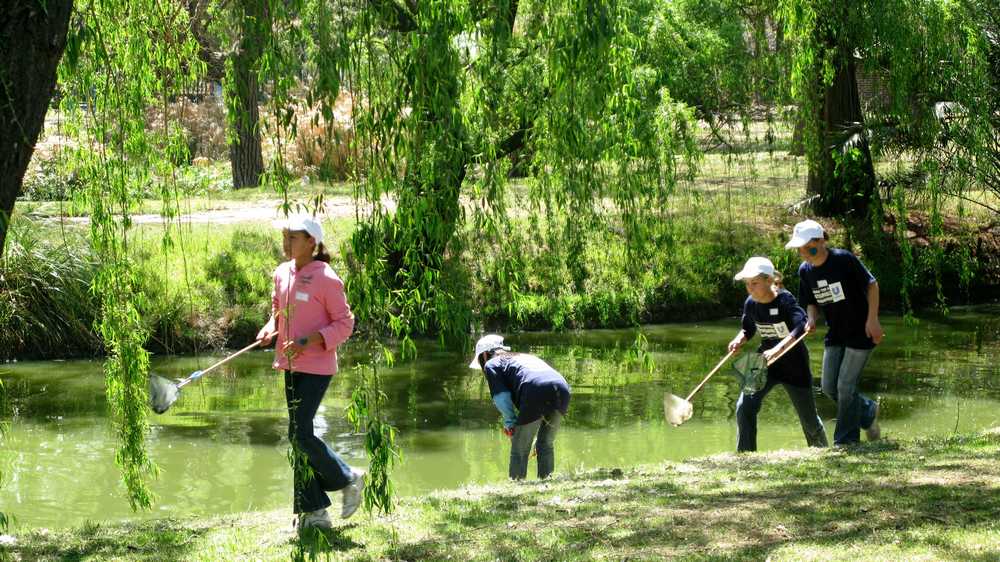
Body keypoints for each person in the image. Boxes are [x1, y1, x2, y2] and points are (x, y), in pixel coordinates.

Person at [256, 215, 363, 532]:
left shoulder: (326, 278)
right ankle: (313, 513)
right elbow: (278, 310)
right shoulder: (281, 272)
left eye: (292, 237)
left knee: (300, 434)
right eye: (285, 235)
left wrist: (309, 340)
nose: (286, 242)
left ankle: (347, 478)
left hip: (316, 367)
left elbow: (345, 324)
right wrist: (269, 327)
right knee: (297, 437)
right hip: (289, 365)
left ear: (311, 243)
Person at [785, 219, 884, 446]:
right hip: (836, 333)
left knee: (845, 386)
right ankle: (868, 411)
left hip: (860, 330)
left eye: (806, 247)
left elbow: (872, 284)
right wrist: (810, 319)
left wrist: (873, 320)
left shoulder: (843, 260)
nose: (803, 253)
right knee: (829, 387)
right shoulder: (805, 271)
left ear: (820, 242)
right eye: (799, 249)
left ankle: (846, 441)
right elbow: (810, 302)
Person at [727, 257, 828, 452]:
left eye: (754, 283)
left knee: (809, 420)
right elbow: (747, 329)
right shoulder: (751, 303)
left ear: (769, 280)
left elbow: (800, 327)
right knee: (743, 407)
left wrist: (776, 350)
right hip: (764, 362)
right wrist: (739, 339)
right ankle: (746, 456)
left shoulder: (785, 300)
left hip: (794, 365)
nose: (750, 288)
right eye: (747, 284)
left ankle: (822, 453)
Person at [469, 334, 571, 480]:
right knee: (545, 444)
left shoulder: (492, 363)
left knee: (519, 449)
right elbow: (544, 383)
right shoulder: (525, 357)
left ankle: (516, 487)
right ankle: (547, 483)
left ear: (484, 355)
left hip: (535, 389)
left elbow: (501, 397)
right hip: (562, 388)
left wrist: (510, 422)